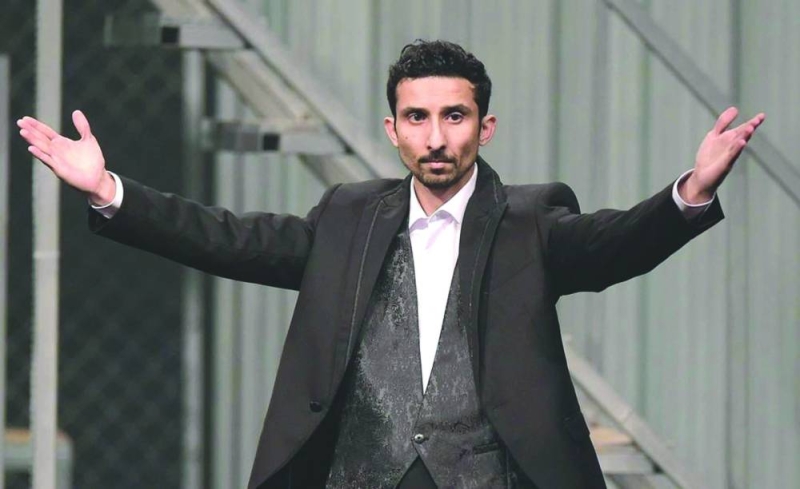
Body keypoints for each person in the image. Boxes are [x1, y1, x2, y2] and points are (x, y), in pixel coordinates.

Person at [18, 40, 764, 489]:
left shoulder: (531, 220)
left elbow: (615, 243)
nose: (436, 137)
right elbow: (230, 238)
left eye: (454, 116)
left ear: (484, 127)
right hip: (360, 473)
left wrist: (691, 191)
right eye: (418, 117)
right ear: (393, 129)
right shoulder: (348, 215)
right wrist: (110, 190)